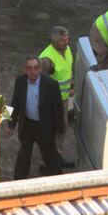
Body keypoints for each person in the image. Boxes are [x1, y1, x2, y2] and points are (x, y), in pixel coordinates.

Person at [7, 55, 63, 180]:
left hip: (44, 126)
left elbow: (58, 109)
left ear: (40, 69)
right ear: (25, 69)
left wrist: (59, 129)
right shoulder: (20, 81)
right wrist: (11, 124)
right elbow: (15, 102)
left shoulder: (50, 84)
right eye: (29, 68)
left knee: (50, 154)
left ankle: (59, 179)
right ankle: (19, 180)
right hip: (27, 124)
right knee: (24, 154)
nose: (32, 71)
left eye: (36, 68)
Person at [39, 26, 74, 168]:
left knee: (62, 127)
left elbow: (68, 70)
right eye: (62, 41)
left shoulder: (67, 50)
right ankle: (48, 162)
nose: (66, 43)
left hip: (63, 98)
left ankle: (57, 155)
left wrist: (71, 87)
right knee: (54, 129)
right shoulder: (47, 60)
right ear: (53, 42)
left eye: (67, 39)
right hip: (52, 101)